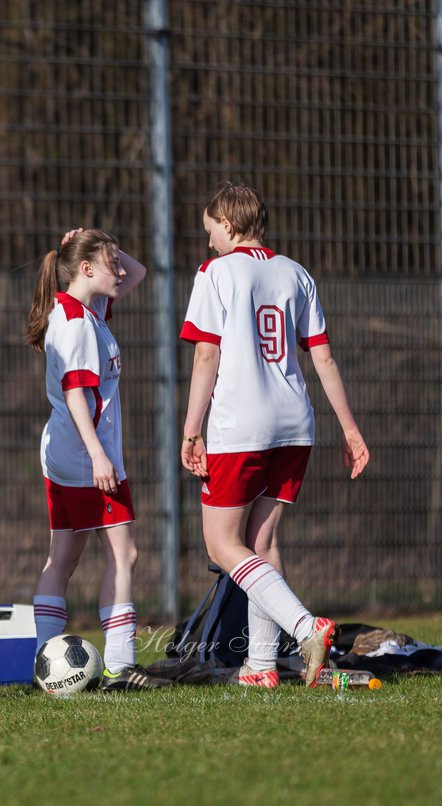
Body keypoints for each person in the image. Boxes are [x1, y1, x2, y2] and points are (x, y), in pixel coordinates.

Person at [180, 181, 369, 688]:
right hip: (294, 424)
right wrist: (350, 429)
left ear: (229, 224)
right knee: (261, 541)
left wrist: (191, 427)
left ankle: (308, 628)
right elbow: (322, 356)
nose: (209, 242)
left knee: (222, 545)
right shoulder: (296, 272)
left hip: (241, 423)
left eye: (211, 230)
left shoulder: (215, 273)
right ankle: (261, 666)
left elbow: (206, 354)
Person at [25, 228, 169, 691]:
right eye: (111, 263)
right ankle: (119, 667)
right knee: (124, 553)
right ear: (86, 270)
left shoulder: (81, 309)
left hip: (64, 455)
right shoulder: (79, 324)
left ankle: (43, 664)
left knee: (62, 558)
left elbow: (140, 272)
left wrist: (97, 241)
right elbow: (75, 394)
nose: (122, 271)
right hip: (89, 459)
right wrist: (99, 457)